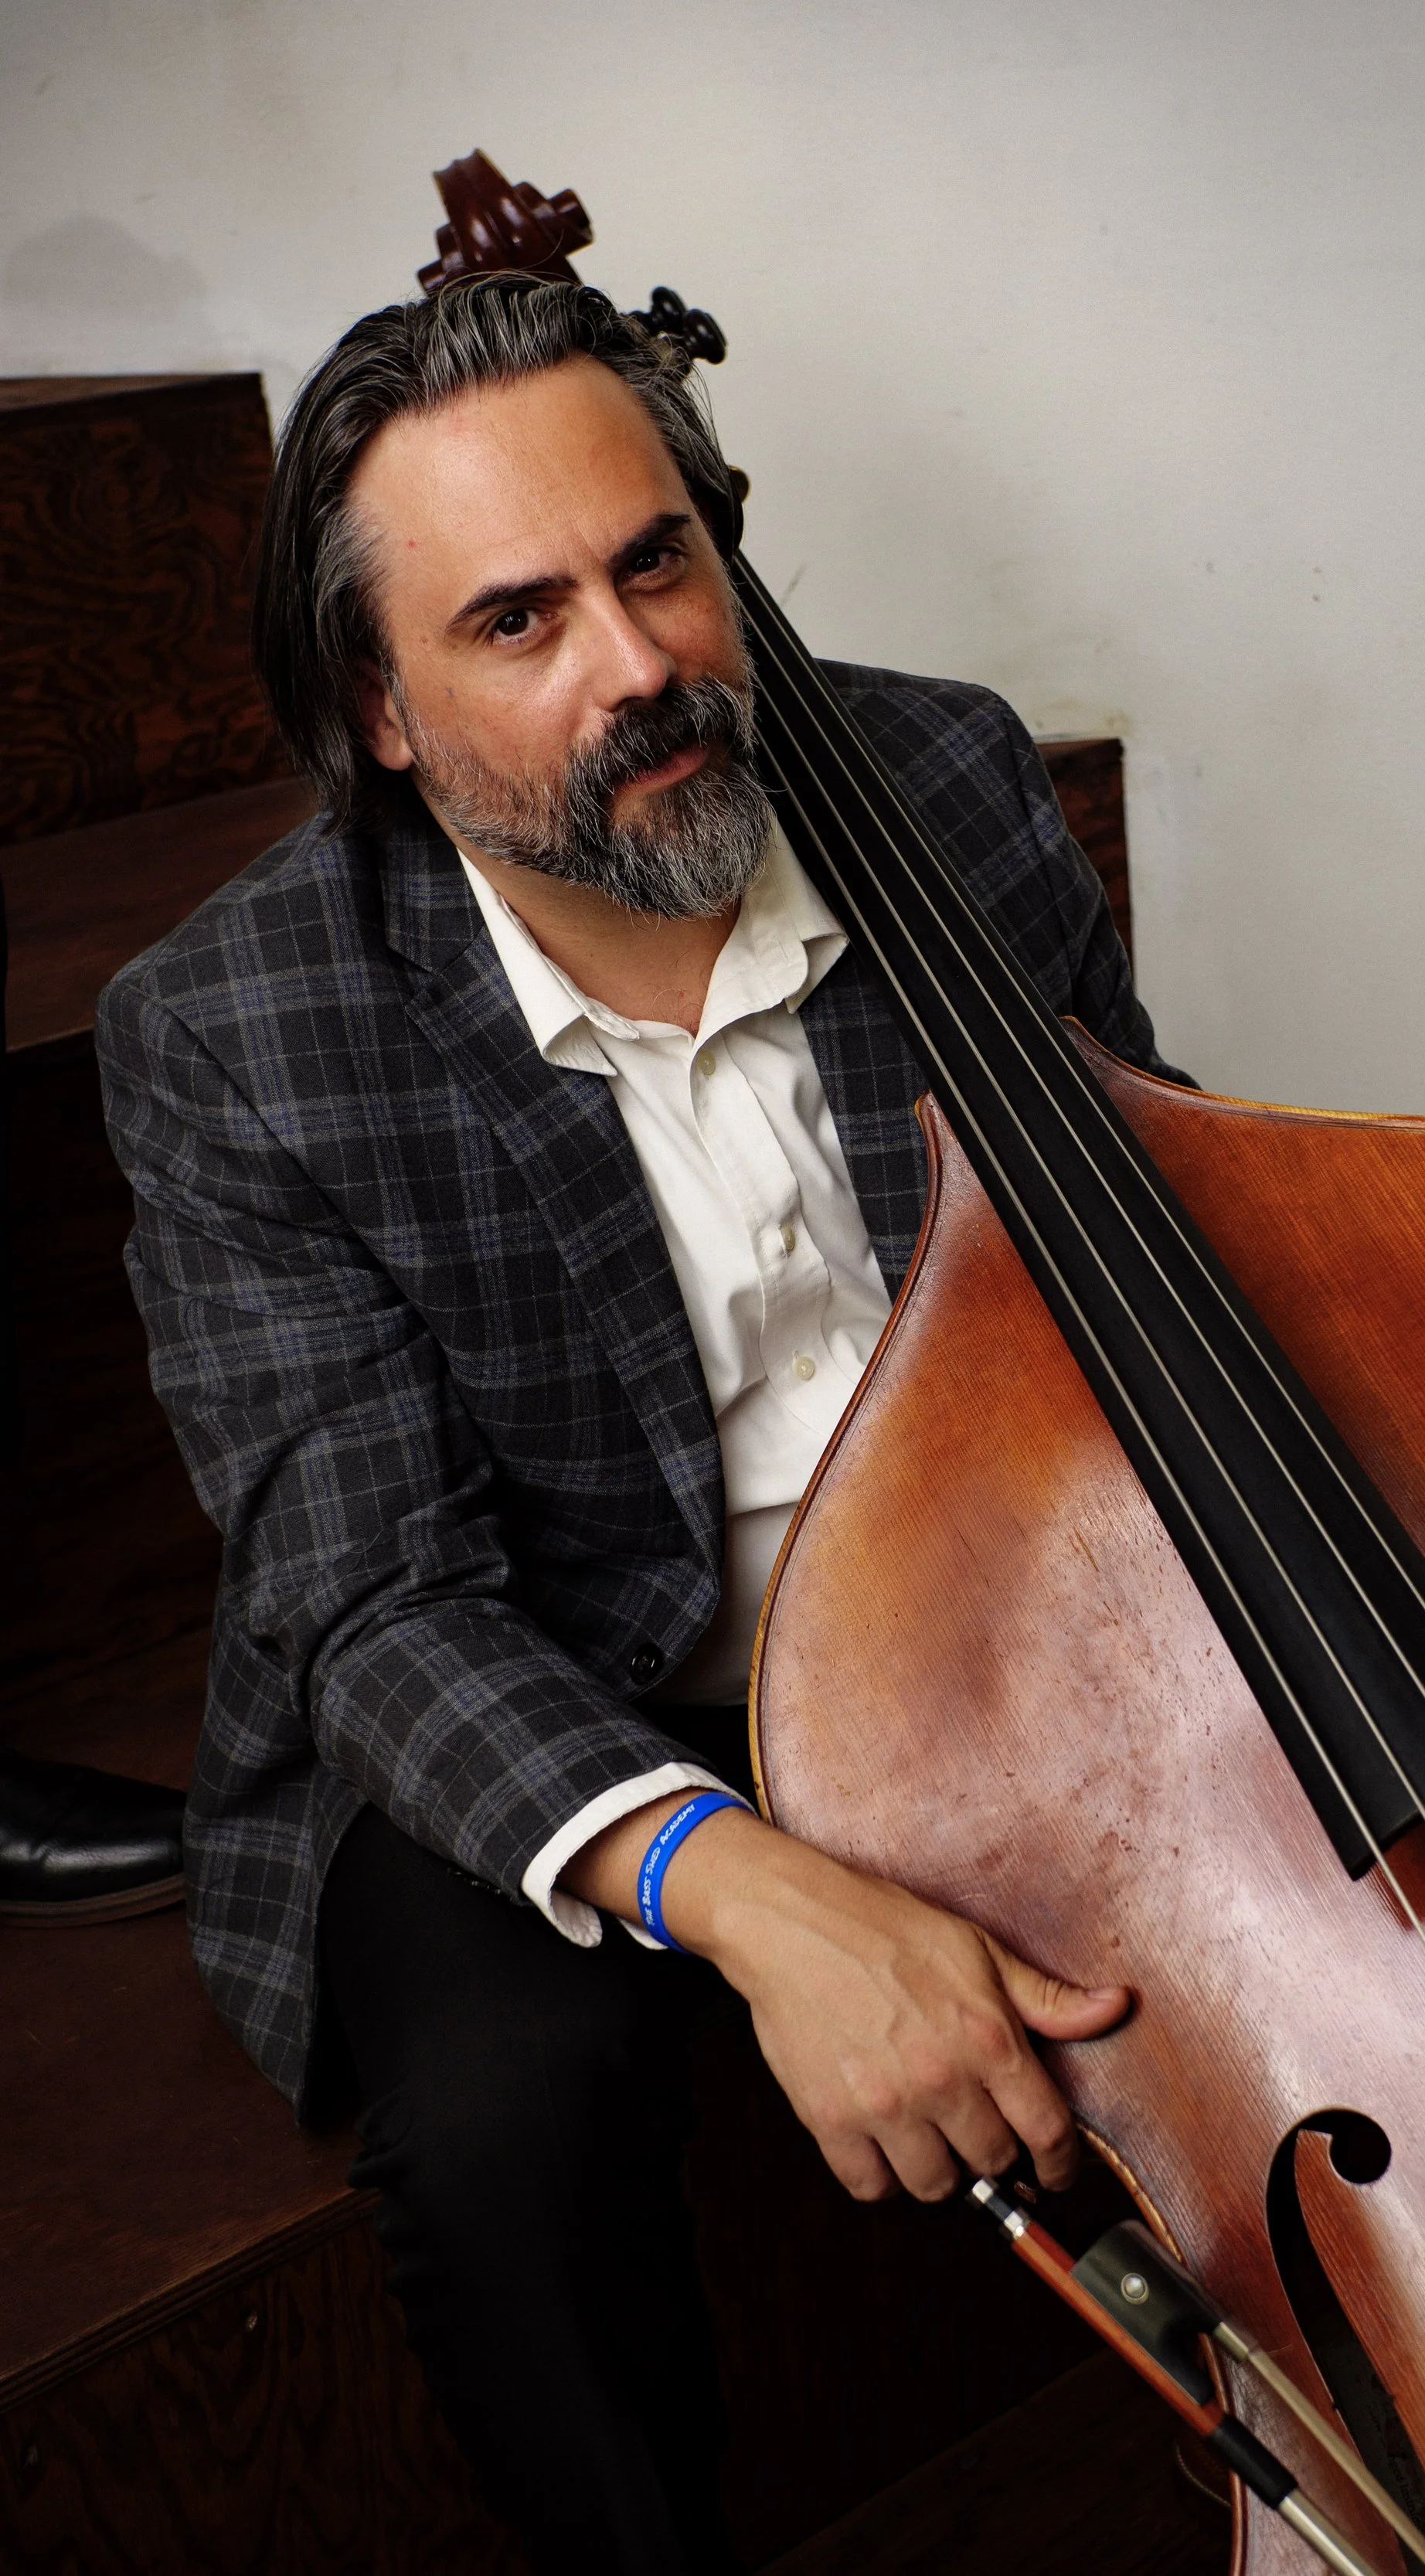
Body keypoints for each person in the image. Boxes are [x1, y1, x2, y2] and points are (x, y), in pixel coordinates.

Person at [97, 274, 1180, 2574]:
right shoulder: (235, 1031)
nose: (635, 666)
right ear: (383, 712)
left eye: (656, 561)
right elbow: (371, 1599)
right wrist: (763, 1895)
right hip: (559, 1667)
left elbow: (1162, 1228)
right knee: (499, 2132)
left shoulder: (949, 781)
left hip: (979, 1604)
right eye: (516, 618)